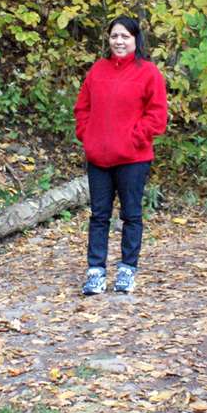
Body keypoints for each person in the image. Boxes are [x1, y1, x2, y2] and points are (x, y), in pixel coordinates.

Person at [74, 15, 167, 295]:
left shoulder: (148, 72)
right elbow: (82, 108)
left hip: (133, 159)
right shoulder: (97, 71)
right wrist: (87, 135)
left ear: (135, 40)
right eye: (114, 36)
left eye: (125, 36)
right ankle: (96, 271)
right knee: (99, 216)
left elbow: (157, 116)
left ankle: (127, 269)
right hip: (99, 158)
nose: (119, 41)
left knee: (131, 215)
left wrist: (133, 139)